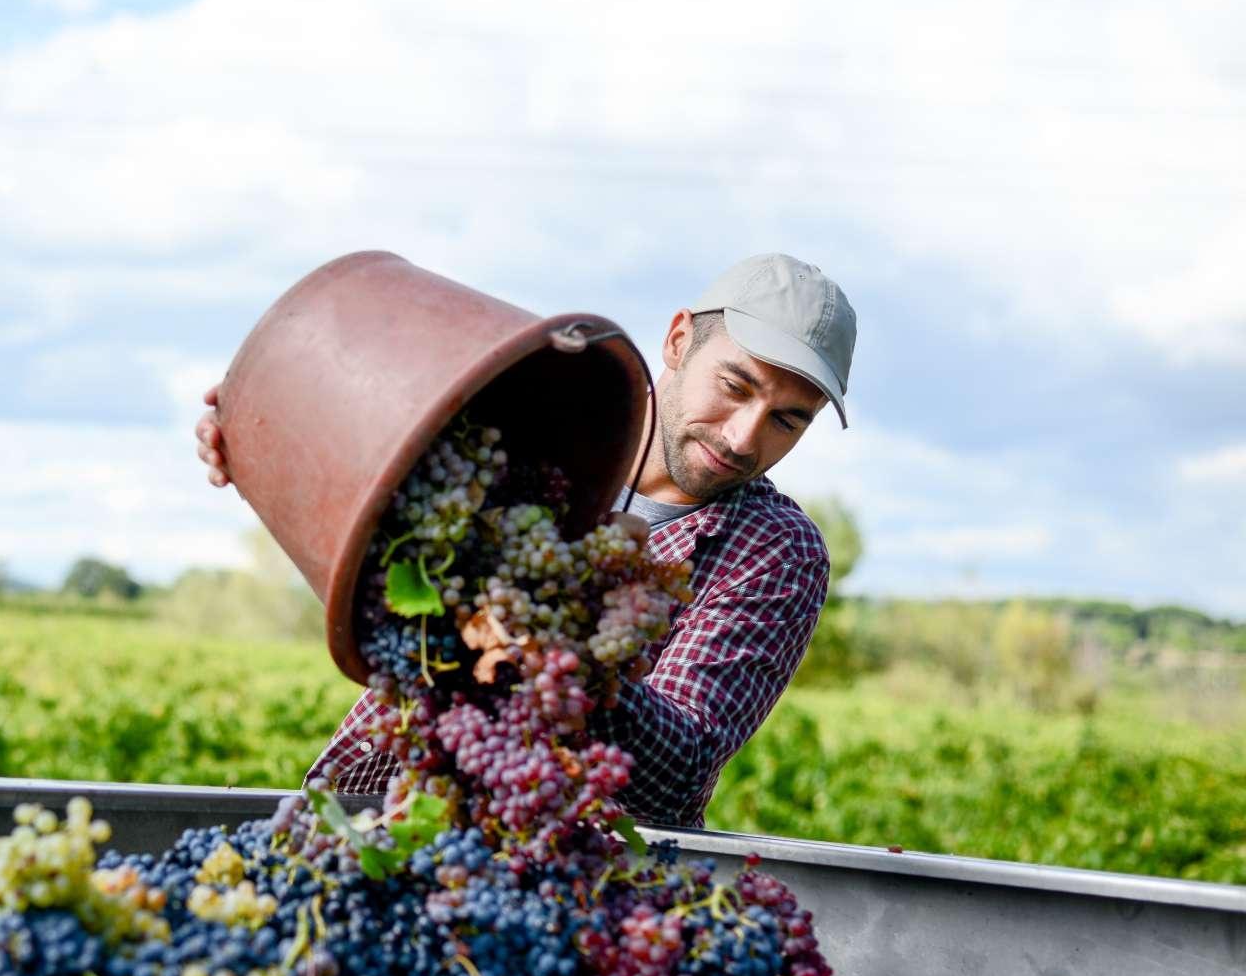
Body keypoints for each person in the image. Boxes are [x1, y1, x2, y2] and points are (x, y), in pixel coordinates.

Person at [195, 253, 856, 829]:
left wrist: (563, 650)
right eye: (734, 387)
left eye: (787, 420)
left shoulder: (774, 551)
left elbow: (678, 774)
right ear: (680, 341)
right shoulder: (534, 427)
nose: (743, 437)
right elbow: (376, 530)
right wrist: (262, 430)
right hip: (375, 808)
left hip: (563, 881)